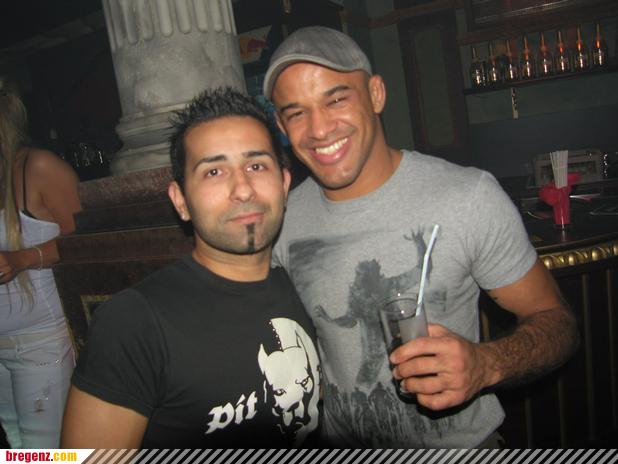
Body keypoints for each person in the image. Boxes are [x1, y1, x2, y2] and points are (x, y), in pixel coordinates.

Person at [263, 26, 579, 448]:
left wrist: (485, 363)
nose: (318, 129)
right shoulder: (280, 221)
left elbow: (558, 323)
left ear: (376, 94)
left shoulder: (468, 196)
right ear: (281, 125)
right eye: (296, 113)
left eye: (336, 99)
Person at [60, 87, 322, 448]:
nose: (243, 189)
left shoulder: (308, 285)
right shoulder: (134, 323)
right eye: (214, 171)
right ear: (180, 200)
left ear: (284, 182)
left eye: (256, 165)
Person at [0, 79, 81, 447]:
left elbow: (86, 244)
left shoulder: (37, 167)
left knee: (45, 452)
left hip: (40, 343)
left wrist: (22, 258)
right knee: (15, 447)